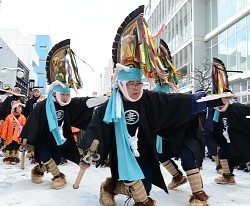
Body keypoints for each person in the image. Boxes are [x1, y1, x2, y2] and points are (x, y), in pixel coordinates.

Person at [20, 39, 107, 190]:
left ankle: (38, 170)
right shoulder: (42, 106)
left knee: (55, 160)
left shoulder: (69, 105)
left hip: (59, 139)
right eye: (63, 94)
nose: (66, 97)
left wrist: (103, 99)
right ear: (55, 93)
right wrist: (26, 139)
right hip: (44, 138)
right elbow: (32, 121)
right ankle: (58, 176)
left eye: (68, 94)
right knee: (46, 157)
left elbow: (84, 103)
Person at [0, 100, 26, 164]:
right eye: (19, 108)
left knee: (16, 146)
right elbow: (5, 126)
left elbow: (24, 125)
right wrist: (4, 134)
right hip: (10, 135)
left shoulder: (22, 117)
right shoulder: (9, 117)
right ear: (14, 108)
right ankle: (8, 158)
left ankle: (15, 158)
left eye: (21, 108)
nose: (20, 109)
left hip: (17, 135)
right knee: (9, 146)